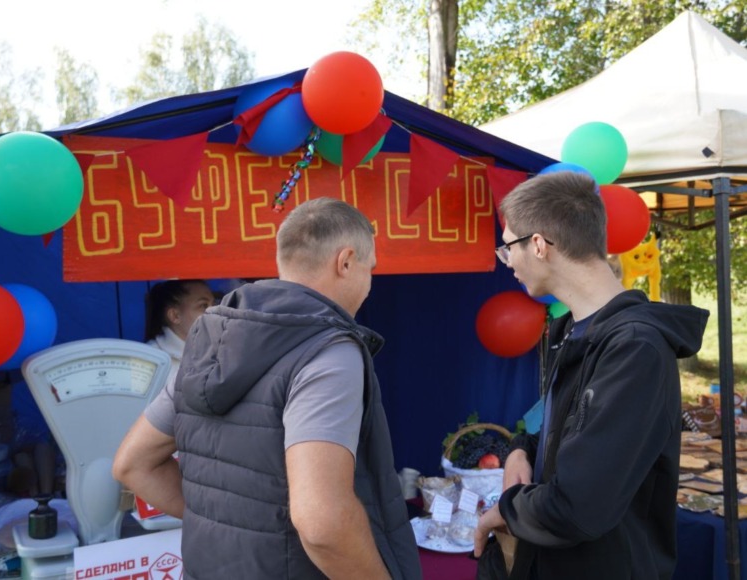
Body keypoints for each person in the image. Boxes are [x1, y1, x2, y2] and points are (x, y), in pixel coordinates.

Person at [113, 197, 422, 579]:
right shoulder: (329, 351)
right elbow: (322, 523)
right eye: (369, 268)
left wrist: (225, 523)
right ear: (345, 262)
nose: (369, 283)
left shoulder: (210, 341)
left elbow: (132, 464)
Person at [472, 171, 709, 579]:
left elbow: (579, 506)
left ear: (539, 245)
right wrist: (521, 450)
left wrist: (505, 511)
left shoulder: (635, 349)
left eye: (508, 247)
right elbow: (562, 430)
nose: (507, 261)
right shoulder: (574, 331)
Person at [143, 279, 215, 391]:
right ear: (175, 315)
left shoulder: (220, 351)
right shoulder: (148, 361)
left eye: (214, 304)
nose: (215, 312)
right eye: (203, 305)